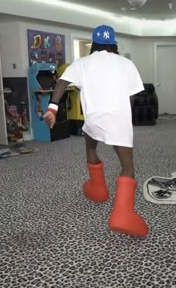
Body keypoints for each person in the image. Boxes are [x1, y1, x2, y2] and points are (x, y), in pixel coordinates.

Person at [43, 25, 148, 237]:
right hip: (118, 121)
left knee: (90, 146)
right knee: (127, 166)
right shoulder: (126, 63)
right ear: (114, 44)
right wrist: (123, 114)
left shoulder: (82, 63)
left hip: (93, 119)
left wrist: (52, 108)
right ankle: (123, 214)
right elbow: (133, 96)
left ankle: (98, 189)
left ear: (94, 44)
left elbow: (62, 82)